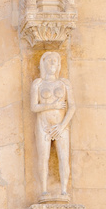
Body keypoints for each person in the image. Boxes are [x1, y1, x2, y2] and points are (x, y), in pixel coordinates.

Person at [30, 51, 75, 199]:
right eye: (48, 61)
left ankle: (63, 190)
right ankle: (44, 190)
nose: (52, 64)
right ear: (43, 64)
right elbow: (34, 107)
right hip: (43, 125)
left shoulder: (64, 84)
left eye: (54, 61)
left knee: (64, 156)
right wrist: (53, 105)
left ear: (58, 64)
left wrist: (62, 126)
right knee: (43, 157)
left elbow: (72, 107)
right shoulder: (38, 83)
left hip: (61, 126)